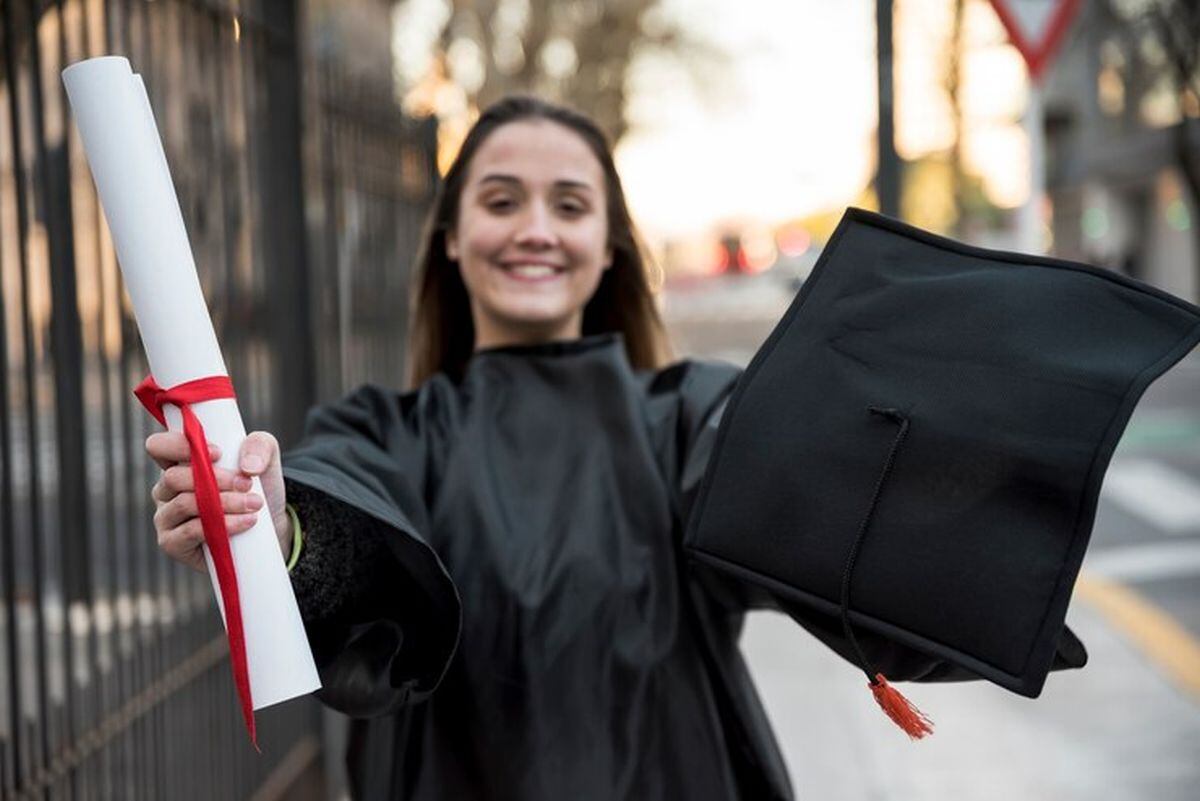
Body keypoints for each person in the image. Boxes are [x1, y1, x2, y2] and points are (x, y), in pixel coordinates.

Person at [144, 97, 981, 800]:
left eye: (570, 205)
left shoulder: (688, 416)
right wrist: (270, 523)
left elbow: (806, 490)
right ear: (449, 235)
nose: (536, 229)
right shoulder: (388, 431)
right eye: (502, 201)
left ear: (611, 241)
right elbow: (344, 522)